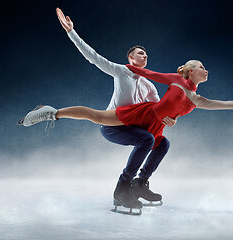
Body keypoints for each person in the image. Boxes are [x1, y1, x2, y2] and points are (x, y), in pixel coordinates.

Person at [19, 60, 233, 185]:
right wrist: (123, 65)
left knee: (161, 144)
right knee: (96, 116)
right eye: (200, 66)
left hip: (156, 127)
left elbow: (226, 105)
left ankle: (141, 183)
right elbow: (146, 72)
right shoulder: (176, 80)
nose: (205, 68)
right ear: (189, 71)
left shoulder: (197, 100)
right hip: (144, 115)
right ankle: (51, 113)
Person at [54, 8, 178, 210]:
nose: (145, 56)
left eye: (147, 54)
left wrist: (171, 118)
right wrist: (71, 32)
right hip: (112, 126)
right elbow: (93, 57)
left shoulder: (149, 85)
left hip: (133, 127)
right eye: (140, 53)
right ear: (130, 58)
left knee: (162, 143)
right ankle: (122, 189)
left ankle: (139, 184)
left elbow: (161, 108)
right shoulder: (122, 71)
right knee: (147, 139)